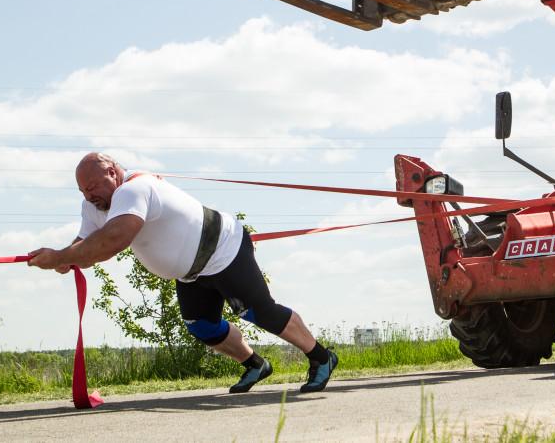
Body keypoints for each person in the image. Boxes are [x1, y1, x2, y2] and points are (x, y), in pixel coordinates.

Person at [27, 152, 338, 395]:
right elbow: (86, 242)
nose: (88, 196)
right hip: (191, 273)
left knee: (259, 312)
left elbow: (112, 241)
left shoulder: (134, 189)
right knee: (201, 326)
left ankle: (321, 357)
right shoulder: (96, 205)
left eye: (92, 187)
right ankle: (255, 364)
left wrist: (62, 256)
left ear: (112, 173)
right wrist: (64, 258)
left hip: (222, 250)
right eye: (83, 190)